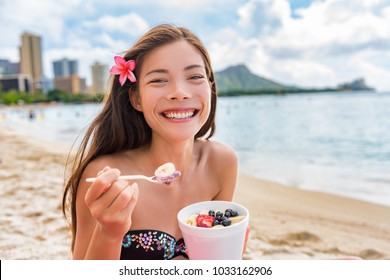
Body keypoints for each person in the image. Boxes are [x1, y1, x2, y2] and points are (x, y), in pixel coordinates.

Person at [62, 24, 239, 260]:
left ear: (210, 88)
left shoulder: (222, 163)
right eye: (159, 80)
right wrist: (109, 233)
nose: (180, 92)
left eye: (195, 76)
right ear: (136, 98)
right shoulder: (106, 176)